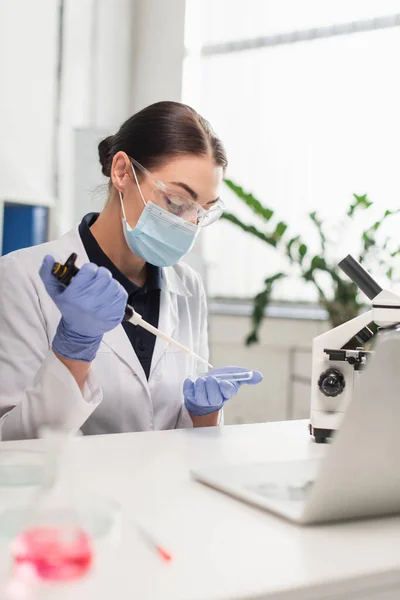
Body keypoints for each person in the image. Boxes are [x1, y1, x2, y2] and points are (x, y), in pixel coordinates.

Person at [0, 101, 262, 440]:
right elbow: (9, 444)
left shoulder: (187, 286)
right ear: (122, 172)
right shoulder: (23, 277)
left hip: (163, 491)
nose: (189, 225)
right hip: (72, 492)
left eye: (202, 212)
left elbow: (186, 441)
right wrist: (73, 351)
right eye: (177, 202)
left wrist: (204, 417)